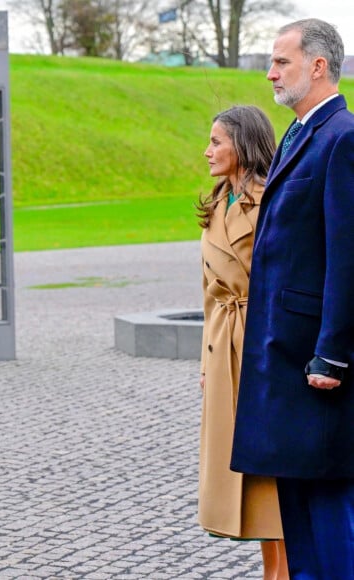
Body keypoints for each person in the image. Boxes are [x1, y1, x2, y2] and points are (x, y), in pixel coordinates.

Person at [231, 19, 354, 578]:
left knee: (327, 512)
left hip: (315, 365)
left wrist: (332, 353)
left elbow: (347, 255)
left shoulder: (343, 136)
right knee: (297, 507)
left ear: (319, 66)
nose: (271, 71)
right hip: (284, 359)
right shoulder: (299, 133)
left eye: (281, 61)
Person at [197, 105, 289, 580]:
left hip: (260, 345)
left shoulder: (271, 198)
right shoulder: (217, 202)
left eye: (217, 141)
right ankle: (270, 569)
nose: (208, 151)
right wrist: (205, 363)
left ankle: (285, 571)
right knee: (244, 471)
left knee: (270, 469)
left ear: (243, 145)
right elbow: (210, 294)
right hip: (223, 345)